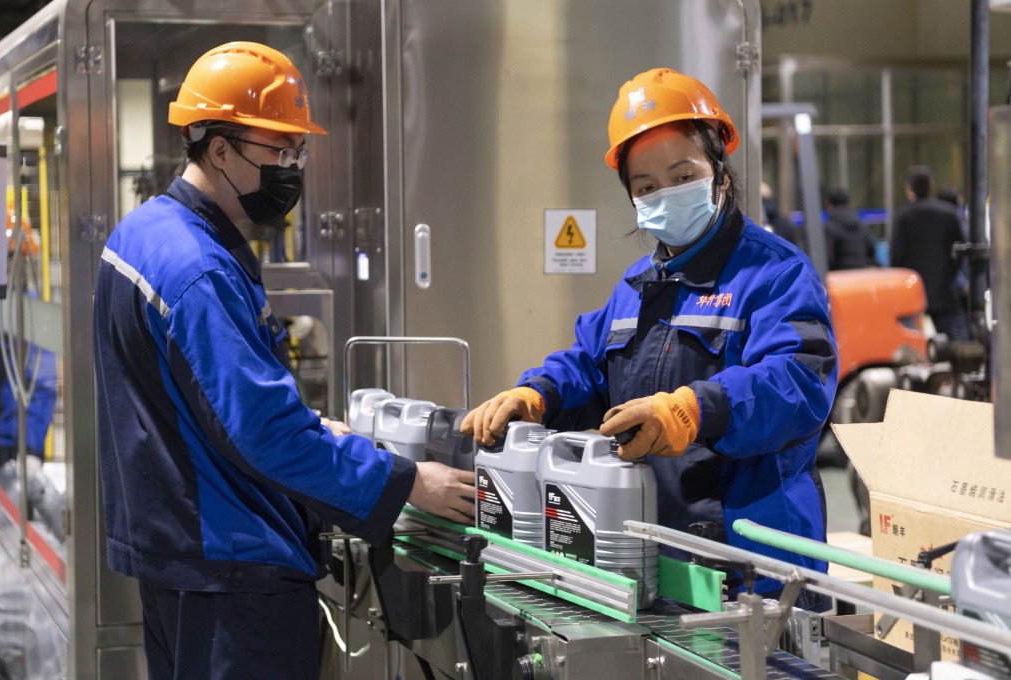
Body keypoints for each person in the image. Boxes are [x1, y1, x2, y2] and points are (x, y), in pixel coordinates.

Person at [93, 42, 475, 680]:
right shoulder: (199, 270)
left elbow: (194, 401)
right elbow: (264, 435)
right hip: (234, 574)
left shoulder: (142, 235)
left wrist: (312, 426)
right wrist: (406, 481)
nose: (293, 168)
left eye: (298, 151)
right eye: (279, 151)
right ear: (220, 149)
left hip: (177, 560)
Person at [461, 68, 838, 611]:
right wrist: (538, 393)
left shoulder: (776, 274)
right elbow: (591, 364)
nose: (665, 195)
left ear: (720, 176)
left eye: (682, 176)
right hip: (657, 557)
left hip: (756, 570)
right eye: (646, 188)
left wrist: (695, 409)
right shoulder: (640, 285)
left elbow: (798, 382)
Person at [890, 165, 970, 340]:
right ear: (931, 186)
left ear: (909, 188)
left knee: (914, 345)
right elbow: (960, 250)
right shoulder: (949, 213)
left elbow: (896, 256)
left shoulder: (903, 217)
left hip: (914, 292)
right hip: (945, 289)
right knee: (957, 342)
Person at [824, 188, 875, 270]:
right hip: (861, 274)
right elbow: (871, 251)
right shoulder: (861, 225)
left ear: (830, 206)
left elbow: (828, 258)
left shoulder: (829, 227)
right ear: (849, 204)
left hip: (839, 277)